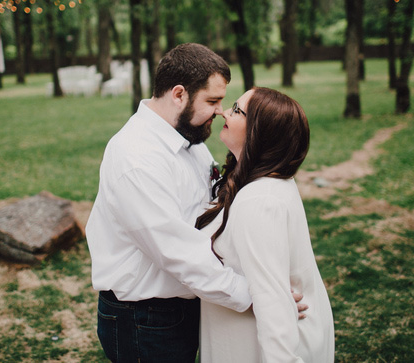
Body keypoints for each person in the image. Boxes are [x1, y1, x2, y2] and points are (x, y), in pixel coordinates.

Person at [85, 43, 253, 362]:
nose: (220, 111)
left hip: (180, 306)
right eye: (212, 101)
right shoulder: (136, 157)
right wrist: (251, 295)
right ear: (179, 94)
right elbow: (178, 253)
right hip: (144, 319)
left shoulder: (188, 139)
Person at [196, 87, 335, 362]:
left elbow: (272, 301)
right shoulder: (268, 182)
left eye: (236, 110)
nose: (224, 111)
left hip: (259, 349)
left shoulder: (259, 200)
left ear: (260, 132)